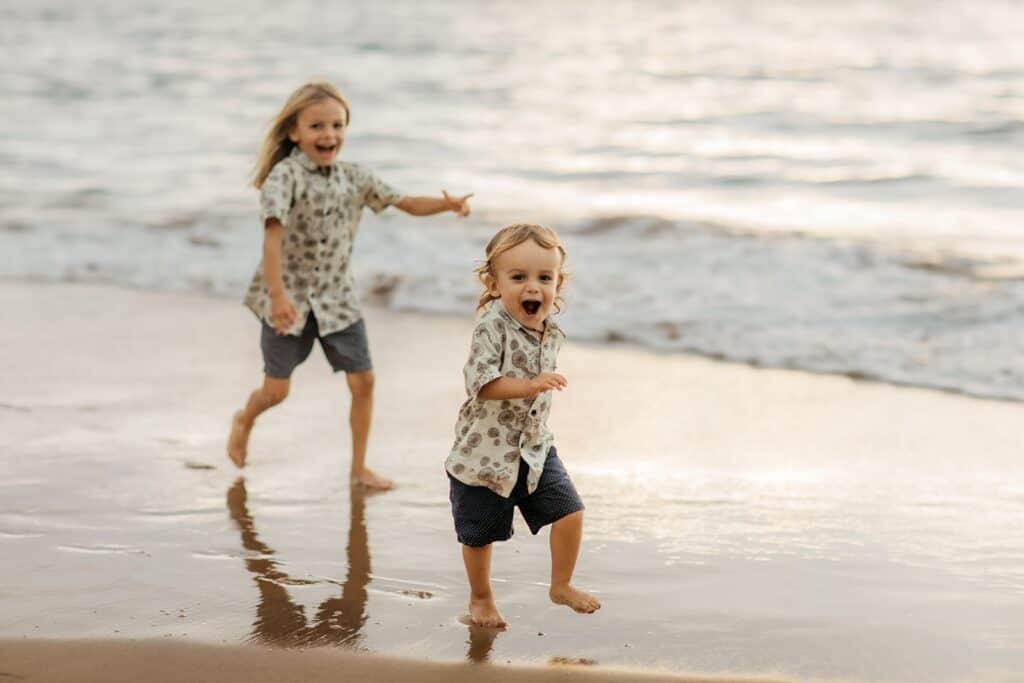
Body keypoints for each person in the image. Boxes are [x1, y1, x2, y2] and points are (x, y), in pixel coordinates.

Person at [228, 81, 472, 490]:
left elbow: (406, 202)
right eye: (317, 126)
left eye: (337, 125)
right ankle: (244, 418)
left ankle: (359, 469)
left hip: (338, 298)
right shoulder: (284, 177)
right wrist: (278, 297)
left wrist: (446, 205)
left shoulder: (355, 177)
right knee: (276, 391)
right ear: (295, 132)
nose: (329, 135)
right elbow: (271, 240)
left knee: (364, 381)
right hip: (286, 299)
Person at [446, 223, 601, 628]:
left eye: (544, 278)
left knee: (571, 512)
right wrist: (529, 385)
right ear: (494, 284)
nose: (533, 287)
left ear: (557, 285)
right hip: (484, 454)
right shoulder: (491, 326)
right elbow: (479, 383)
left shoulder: (552, 332)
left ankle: (561, 585)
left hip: (534, 449)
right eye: (518, 277)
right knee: (479, 534)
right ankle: (481, 598)